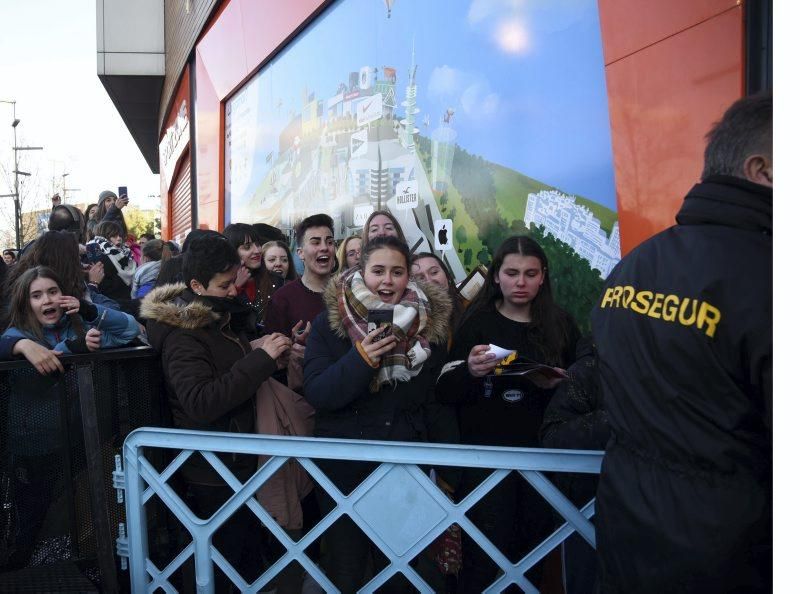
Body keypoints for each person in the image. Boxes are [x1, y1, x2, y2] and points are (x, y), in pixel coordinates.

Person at [590, 92, 772, 593]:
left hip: (628, 534)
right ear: (764, 170)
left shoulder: (632, 267)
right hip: (733, 555)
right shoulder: (769, 277)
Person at [303, 236, 457, 592]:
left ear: (408, 277)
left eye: (397, 272)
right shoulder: (330, 322)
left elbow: (430, 400)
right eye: (378, 271)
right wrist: (361, 360)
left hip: (403, 467)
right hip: (344, 468)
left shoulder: (427, 326)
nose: (387, 281)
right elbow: (319, 392)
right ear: (361, 272)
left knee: (400, 573)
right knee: (347, 570)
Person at [140, 233, 292, 591]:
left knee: (240, 570)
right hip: (212, 472)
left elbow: (221, 370)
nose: (232, 291)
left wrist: (262, 354)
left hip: (232, 462)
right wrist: (259, 359)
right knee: (221, 574)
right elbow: (200, 400)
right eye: (225, 285)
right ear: (196, 285)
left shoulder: (213, 319)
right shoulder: (183, 334)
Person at [436, 235, 580, 592]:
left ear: (543, 276)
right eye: (512, 272)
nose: (521, 282)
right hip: (484, 463)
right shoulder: (476, 322)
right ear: (496, 276)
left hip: (542, 462)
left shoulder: (561, 324)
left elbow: (583, 386)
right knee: (482, 561)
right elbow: (444, 390)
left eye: (530, 274)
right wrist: (469, 370)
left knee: (530, 558)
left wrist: (559, 383)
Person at [540, 336, 608, 594]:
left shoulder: (685, 370)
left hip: (666, 511)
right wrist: (619, 419)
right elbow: (553, 437)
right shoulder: (592, 368)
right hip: (587, 509)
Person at [2, 266, 140, 364]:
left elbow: (131, 330)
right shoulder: (19, 334)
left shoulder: (84, 328)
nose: (47, 300)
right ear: (26, 303)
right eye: (36, 296)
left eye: (53, 292)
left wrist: (90, 311)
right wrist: (21, 345)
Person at [264, 214, 336, 384]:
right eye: (316, 242)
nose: (324, 247)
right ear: (301, 253)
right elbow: (271, 362)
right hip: (302, 398)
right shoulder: (282, 299)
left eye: (330, 242)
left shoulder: (349, 293)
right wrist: (291, 349)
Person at [412, 252, 467, 344]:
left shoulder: (469, 303)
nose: (429, 280)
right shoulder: (415, 326)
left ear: (447, 276)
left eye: (434, 272)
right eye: (420, 278)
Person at [223, 223, 271, 326]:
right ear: (232, 251)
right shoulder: (220, 283)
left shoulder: (274, 279)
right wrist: (236, 288)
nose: (257, 251)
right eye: (247, 247)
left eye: (258, 244)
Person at [86, 221, 138, 312]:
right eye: (114, 236)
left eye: (120, 235)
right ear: (104, 237)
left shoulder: (126, 255)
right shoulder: (98, 257)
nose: (119, 239)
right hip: (111, 307)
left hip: (126, 304)